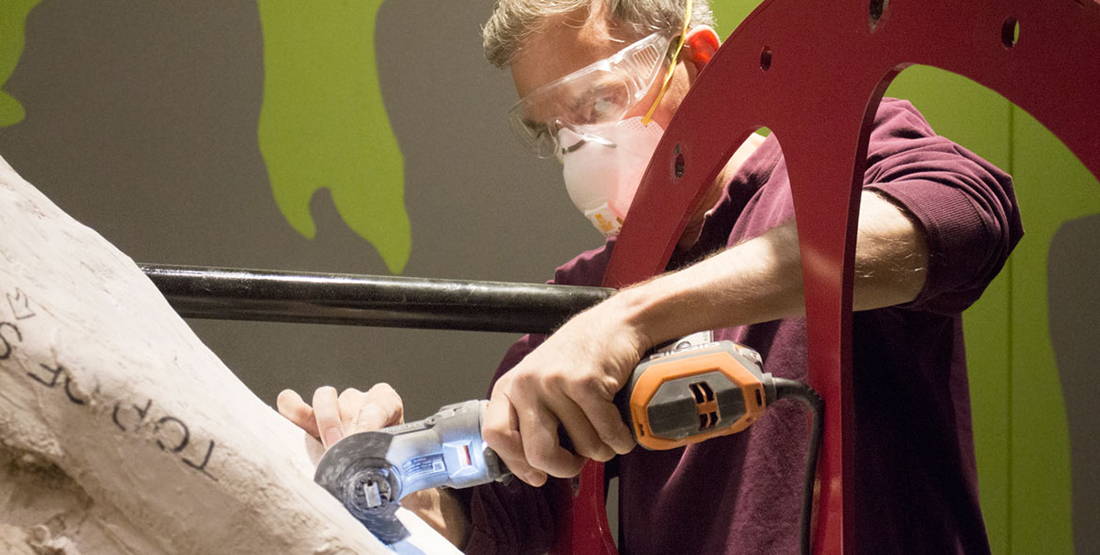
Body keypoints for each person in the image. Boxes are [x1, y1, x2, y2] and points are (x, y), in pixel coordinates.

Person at [277, 1, 1023, 553]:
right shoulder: (573, 312)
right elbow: (506, 521)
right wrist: (397, 481)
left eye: (601, 100)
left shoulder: (832, 166)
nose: (581, 147)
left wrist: (631, 318)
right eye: (555, 127)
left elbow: (969, 218)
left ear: (698, 60)